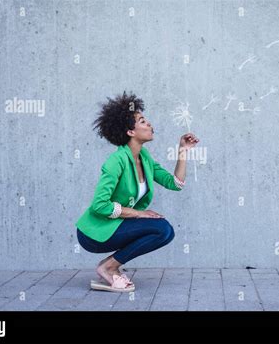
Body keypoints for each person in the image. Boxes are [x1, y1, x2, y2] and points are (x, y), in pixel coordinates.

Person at [75, 90, 199, 292]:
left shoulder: (145, 158)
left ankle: (110, 266)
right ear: (130, 132)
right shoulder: (116, 161)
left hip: (115, 226)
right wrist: (139, 214)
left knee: (164, 231)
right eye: (142, 121)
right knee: (161, 228)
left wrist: (183, 150)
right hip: (93, 233)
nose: (149, 124)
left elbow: (175, 184)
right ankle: (109, 268)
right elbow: (99, 205)